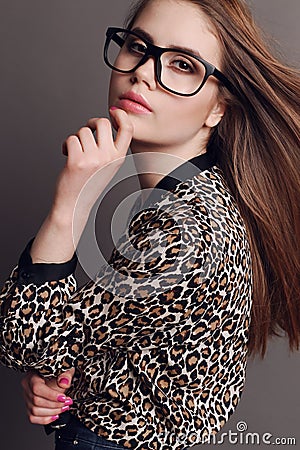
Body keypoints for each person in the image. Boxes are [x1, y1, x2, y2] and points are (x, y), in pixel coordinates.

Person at [0, 0, 299, 449]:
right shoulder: (200, 200)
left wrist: (71, 200)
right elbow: (101, 345)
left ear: (219, 108)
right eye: (138, 46)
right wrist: (66, 380)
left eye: (182, 64)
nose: (142, 71)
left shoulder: (183, 226)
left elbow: (24, 341)